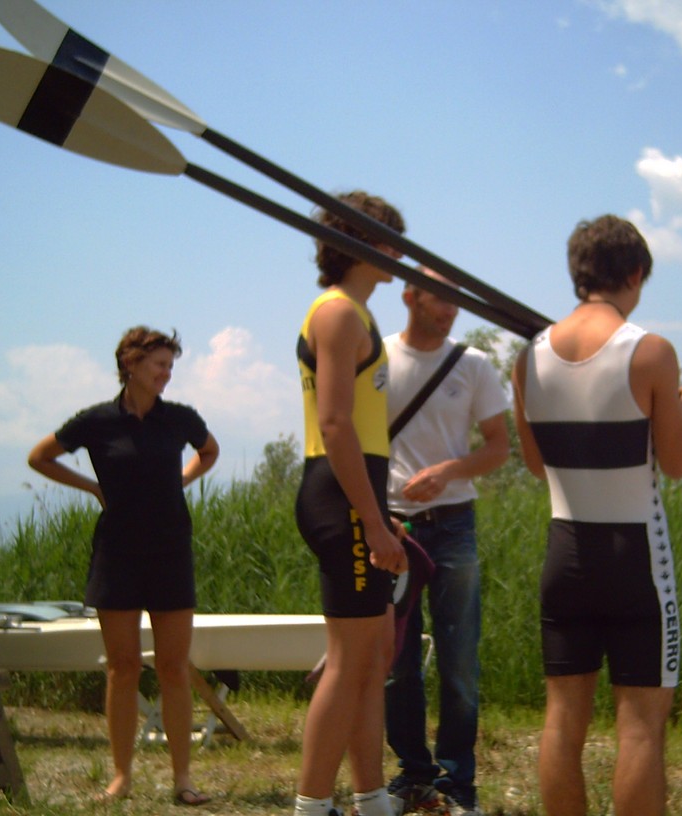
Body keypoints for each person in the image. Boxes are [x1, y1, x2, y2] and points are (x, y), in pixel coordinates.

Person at [510, 215, 682, 816]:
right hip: (635, 559)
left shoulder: (527, 359)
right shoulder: (649, 352)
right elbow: (676, 463)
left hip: (565, 553)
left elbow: (535, 464)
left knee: (562, 719)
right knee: (642, 727)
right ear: (635, 274)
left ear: (578, 273)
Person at [27, 326, 219, 806]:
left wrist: (182, 480)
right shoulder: (96, 421)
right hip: (117, 553)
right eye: (159, 364)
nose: (166, 373)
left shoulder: (180, 418)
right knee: (122, 667)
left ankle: (183, 779)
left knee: (174, 667)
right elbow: (39, 457)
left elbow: (209, 451)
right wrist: (92, 488)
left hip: (170, 550)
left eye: (170, 366)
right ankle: (119, 778)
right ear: (130, 364)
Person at [293, 190, 410, 816]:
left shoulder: (357, 314)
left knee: (372, 658)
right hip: (339, 497)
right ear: (361, 243)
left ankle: (372, 799)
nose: (400, 252)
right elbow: (335, 424)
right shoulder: (338, 314)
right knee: (348, 662)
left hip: (356, 496)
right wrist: (371, 522)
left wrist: (379, 515)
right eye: (391, 239)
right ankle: (312, 806)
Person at [383, 271, 510, 816]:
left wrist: (447, 471)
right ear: (409, 296)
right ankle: (413, 774)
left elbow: (499, 446)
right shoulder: (378, 357)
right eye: (440, 298)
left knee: (459, 661)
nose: (450, 309)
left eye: (456, 301)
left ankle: (458, 783)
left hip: (455, 523)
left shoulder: (473, 364)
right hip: (393, 526)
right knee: (397, 662)